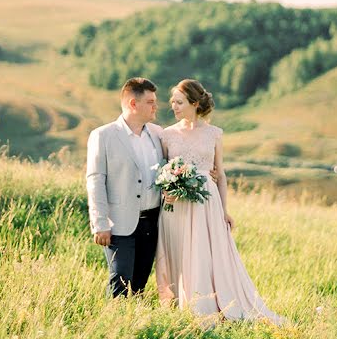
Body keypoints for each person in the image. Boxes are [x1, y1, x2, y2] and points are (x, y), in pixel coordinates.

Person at [155, 79, 284, 324]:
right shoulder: (167, 134)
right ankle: (178, 303)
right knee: (179, 251)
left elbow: (220, 174)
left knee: (207, 254)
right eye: (172, 101)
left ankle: (210, 304)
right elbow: (162, 170)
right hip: (176, 205)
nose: (173, 105)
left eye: (179, 101)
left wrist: (224, 211)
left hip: (207, 203)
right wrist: (165, 191)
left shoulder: (214, 134)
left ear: (194, 103)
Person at [86, 77, 164, 297]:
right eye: (150, 102)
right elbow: (95, 180)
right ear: (133, 104)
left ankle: (134, 328)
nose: (155, 106)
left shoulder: (157, 134)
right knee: (120, 283)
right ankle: (114, 327)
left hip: (152, 222)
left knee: (139, 286)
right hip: (119, 224)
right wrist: (100, 223)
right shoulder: (103, 135)